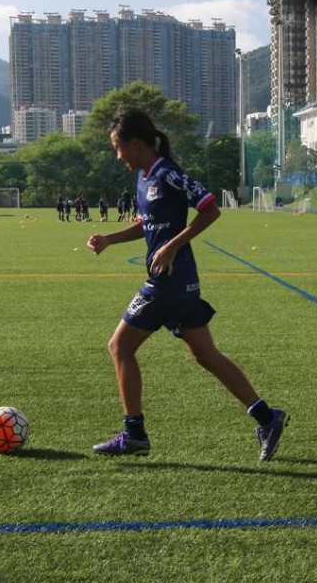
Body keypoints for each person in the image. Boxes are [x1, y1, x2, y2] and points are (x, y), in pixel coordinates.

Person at [86, 108, 288, 461]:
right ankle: (266, 417)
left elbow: (210, 209)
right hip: (179, 284)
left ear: (135, 143)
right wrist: (109, 239)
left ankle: (134, 433)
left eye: (117, 147)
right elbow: (145, 224)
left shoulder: (168, 173)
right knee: (205, 355)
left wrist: (172, 245)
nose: (117, 155)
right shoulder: (143, 176)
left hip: (168, 283)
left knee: (119, 347)